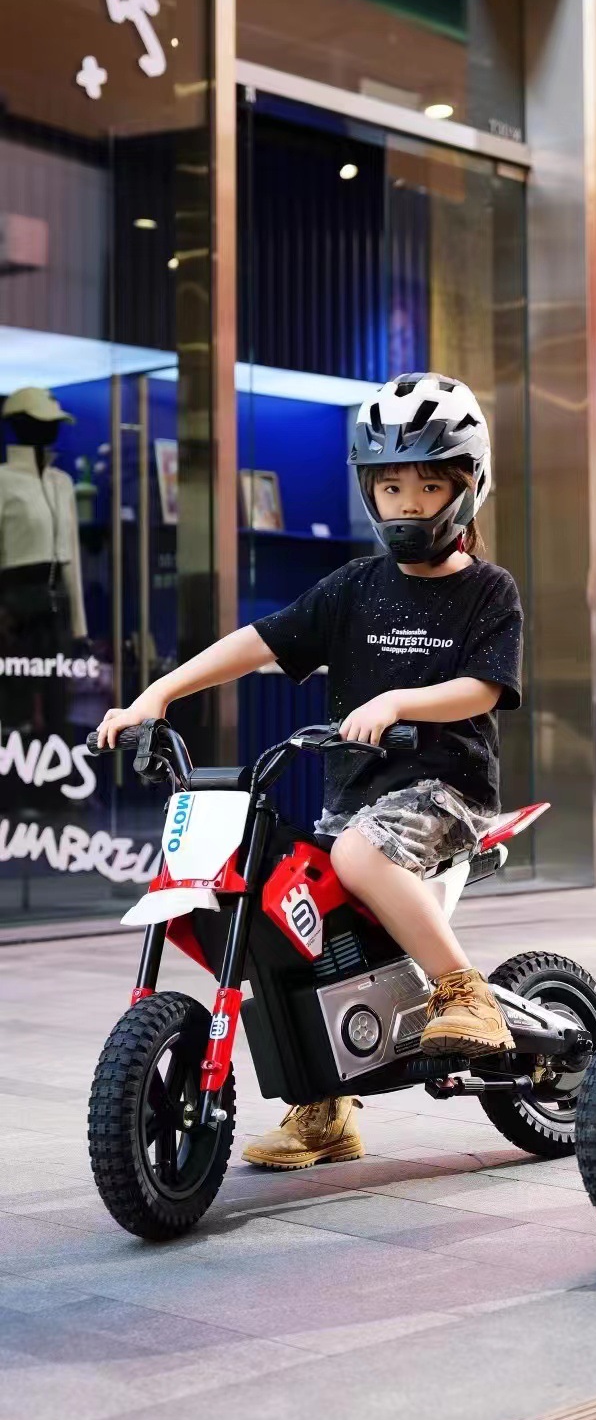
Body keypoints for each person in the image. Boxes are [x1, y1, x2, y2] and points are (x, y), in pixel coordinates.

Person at [96, 372, 523, 1170]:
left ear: (469, 487)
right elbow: (258, 641)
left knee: (358, 855)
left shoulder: (487, 590)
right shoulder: (354, 587)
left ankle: (466, 991)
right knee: (280, 908)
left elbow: (484, 689)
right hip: (354, 799)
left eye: (428, 487)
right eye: (391, 487)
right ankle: (324, 1105)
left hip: (446, 792)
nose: (407, 505)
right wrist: (158, 693)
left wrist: (398, 701)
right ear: (369, 490)